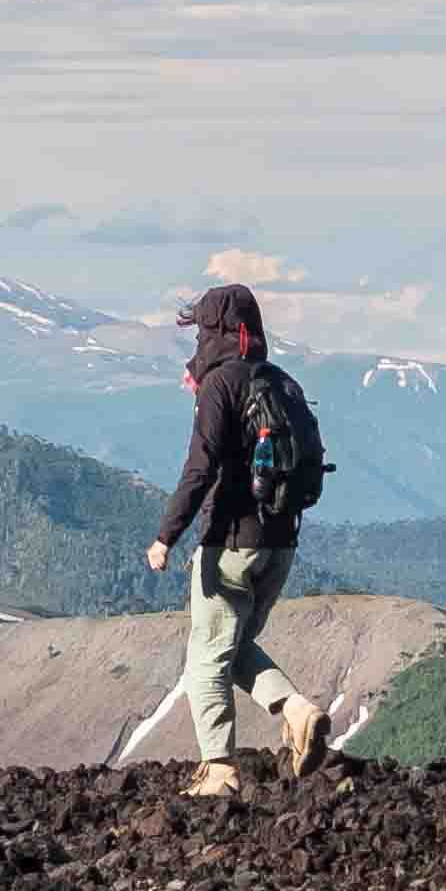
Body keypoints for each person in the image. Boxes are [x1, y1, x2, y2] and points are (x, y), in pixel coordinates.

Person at [143, 282, 329, 796]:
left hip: (229, 542)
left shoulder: (220, 386)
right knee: (236, 642)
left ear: (214, 332)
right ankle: (298, 711)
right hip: (281, 543)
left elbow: (200, 468)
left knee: (205, 660)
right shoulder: (283, 384)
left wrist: (166, 536)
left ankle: (219, 772)